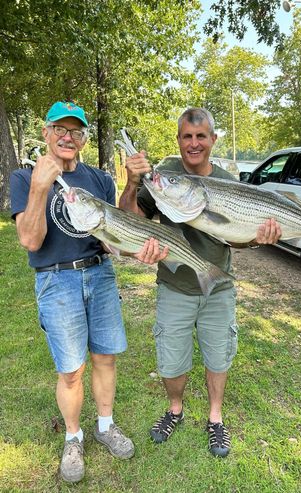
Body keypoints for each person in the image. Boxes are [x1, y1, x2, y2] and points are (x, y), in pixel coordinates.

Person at [10, 101, 167, 483]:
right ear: (46, 132)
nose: (67, 137)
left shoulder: (97, 179)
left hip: (99, 275)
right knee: (70, 371)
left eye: (76, 131)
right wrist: (39, 188)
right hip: (56, 280)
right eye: (60, 130)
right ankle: (73, 437)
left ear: (82, 139)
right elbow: (30, 240)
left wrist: (138, 244)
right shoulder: (22, 176)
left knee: (106, 358)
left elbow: (114, 234)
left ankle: (106, 425)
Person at [119, 107, 282, 457]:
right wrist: (132, 183)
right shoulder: (163, 176)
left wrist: (258, 237)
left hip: (219, 285)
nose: (194, 144)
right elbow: (132, 219)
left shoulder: (228, 181)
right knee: (171, 358)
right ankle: (175, 409)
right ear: (178, 140)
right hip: (175, 284)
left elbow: (237, 238)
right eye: (187, 137)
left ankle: (215, 418)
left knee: (218, 355)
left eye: (200, 136)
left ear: (212, 139)